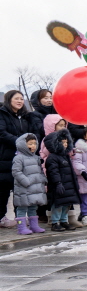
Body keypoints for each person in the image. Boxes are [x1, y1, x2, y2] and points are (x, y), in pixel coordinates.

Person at [1, 90, 32, 228]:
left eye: (21, 98)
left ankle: (19, 217)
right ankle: (1, 217)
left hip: (22, 157)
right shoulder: (2, 114)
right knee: (3, 189)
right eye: (16, 99)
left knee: (20, 189)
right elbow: (2, 133)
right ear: (9, 100)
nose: (20, 101)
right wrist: (20, 143)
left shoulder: (24, 116)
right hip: (5, 156)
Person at [44, 128, 79, 232]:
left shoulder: (66, 156)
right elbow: (53, 172)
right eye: (62, 142)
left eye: (66, 142)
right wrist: (58, 183)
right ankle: (55, 222)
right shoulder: (52, 158)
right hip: (59, 186)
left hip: (68, 185)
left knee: (67, 204)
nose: (65, 144)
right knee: (58, 205)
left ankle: (64, 221)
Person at [11, 133, 46, 235]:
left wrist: (43, 179)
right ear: (23, 144)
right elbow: (16, 172)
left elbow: (40, 171)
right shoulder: (19, 158)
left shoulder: (36, 158)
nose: (33, 146)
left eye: (35, 143)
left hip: (35, 188)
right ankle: (21, 227)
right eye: (30, 144)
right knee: (22, 207)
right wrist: (26, 181)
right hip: (23, 188)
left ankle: (34, 226)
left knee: (33, 207)